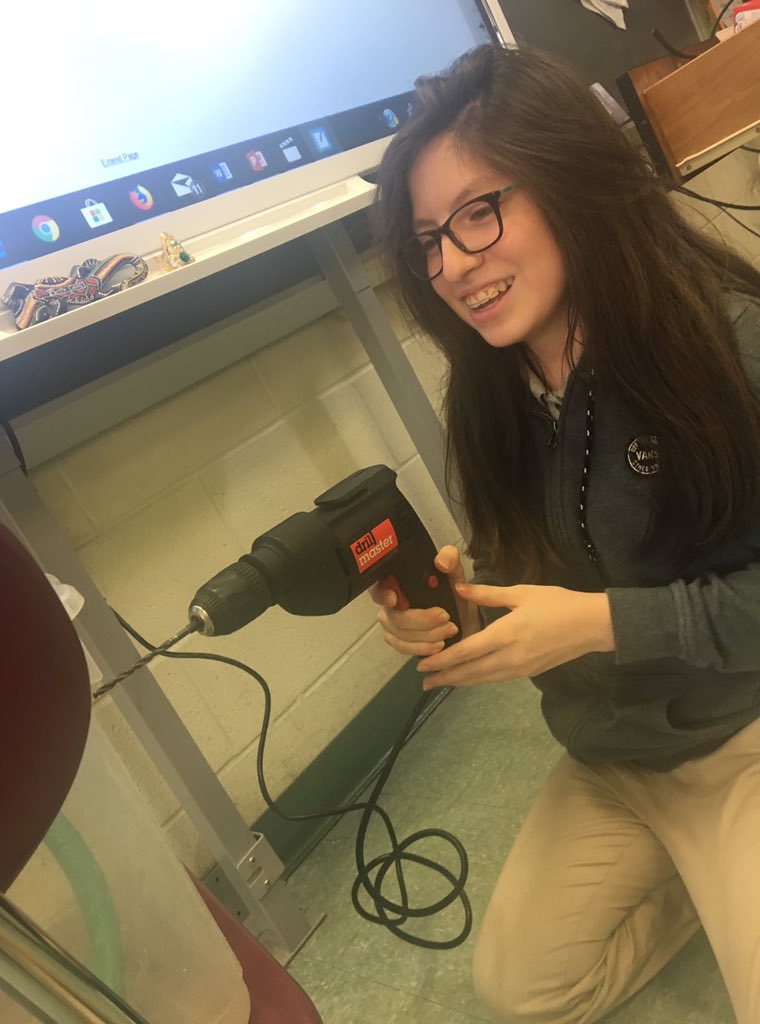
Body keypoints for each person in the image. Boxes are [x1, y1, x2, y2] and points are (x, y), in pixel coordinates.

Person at [369, 44, 760, 1024]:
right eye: (429, 240)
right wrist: (461, 608)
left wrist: (600, 626)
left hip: (741, 730)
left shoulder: (729, 341)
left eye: (477, 213)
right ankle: (694, 875)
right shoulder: (494, 390)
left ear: (570, 180)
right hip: (614, 755)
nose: (453, 263)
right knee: (522, 989)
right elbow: (543, 561)